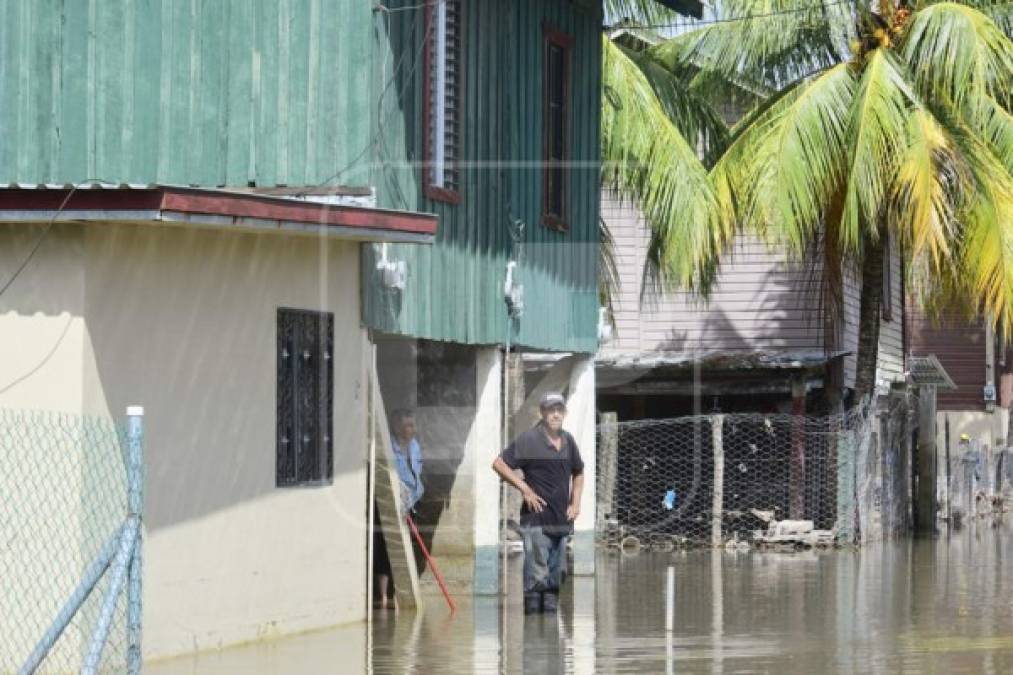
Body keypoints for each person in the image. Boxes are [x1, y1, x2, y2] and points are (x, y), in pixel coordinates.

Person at [492, 392, 584, 614]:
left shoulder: (568, 441)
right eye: (550, 410)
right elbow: (498, 464)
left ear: (564, 413)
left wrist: (576, 503)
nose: (555, 414)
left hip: (561, 520)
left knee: (556, 579)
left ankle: (549, 641)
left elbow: (578, 472)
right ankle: (533, 635)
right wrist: (525, 489)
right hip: (536, 520)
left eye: (559, 409)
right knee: (536, 579)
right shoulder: (529, 440)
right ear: (542, 413)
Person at [374, 409, 425, 609]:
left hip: (411, 503)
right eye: (407, 425)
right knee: (385, 549)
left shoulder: (414, 446)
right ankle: (383, 597)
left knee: (408, 548)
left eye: (413, 425)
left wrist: (410, 499)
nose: (411, 430)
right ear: (397, 427)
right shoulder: (390, 448)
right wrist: (399, 494)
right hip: (390, 501)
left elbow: (416, 474)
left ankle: (397, 594)